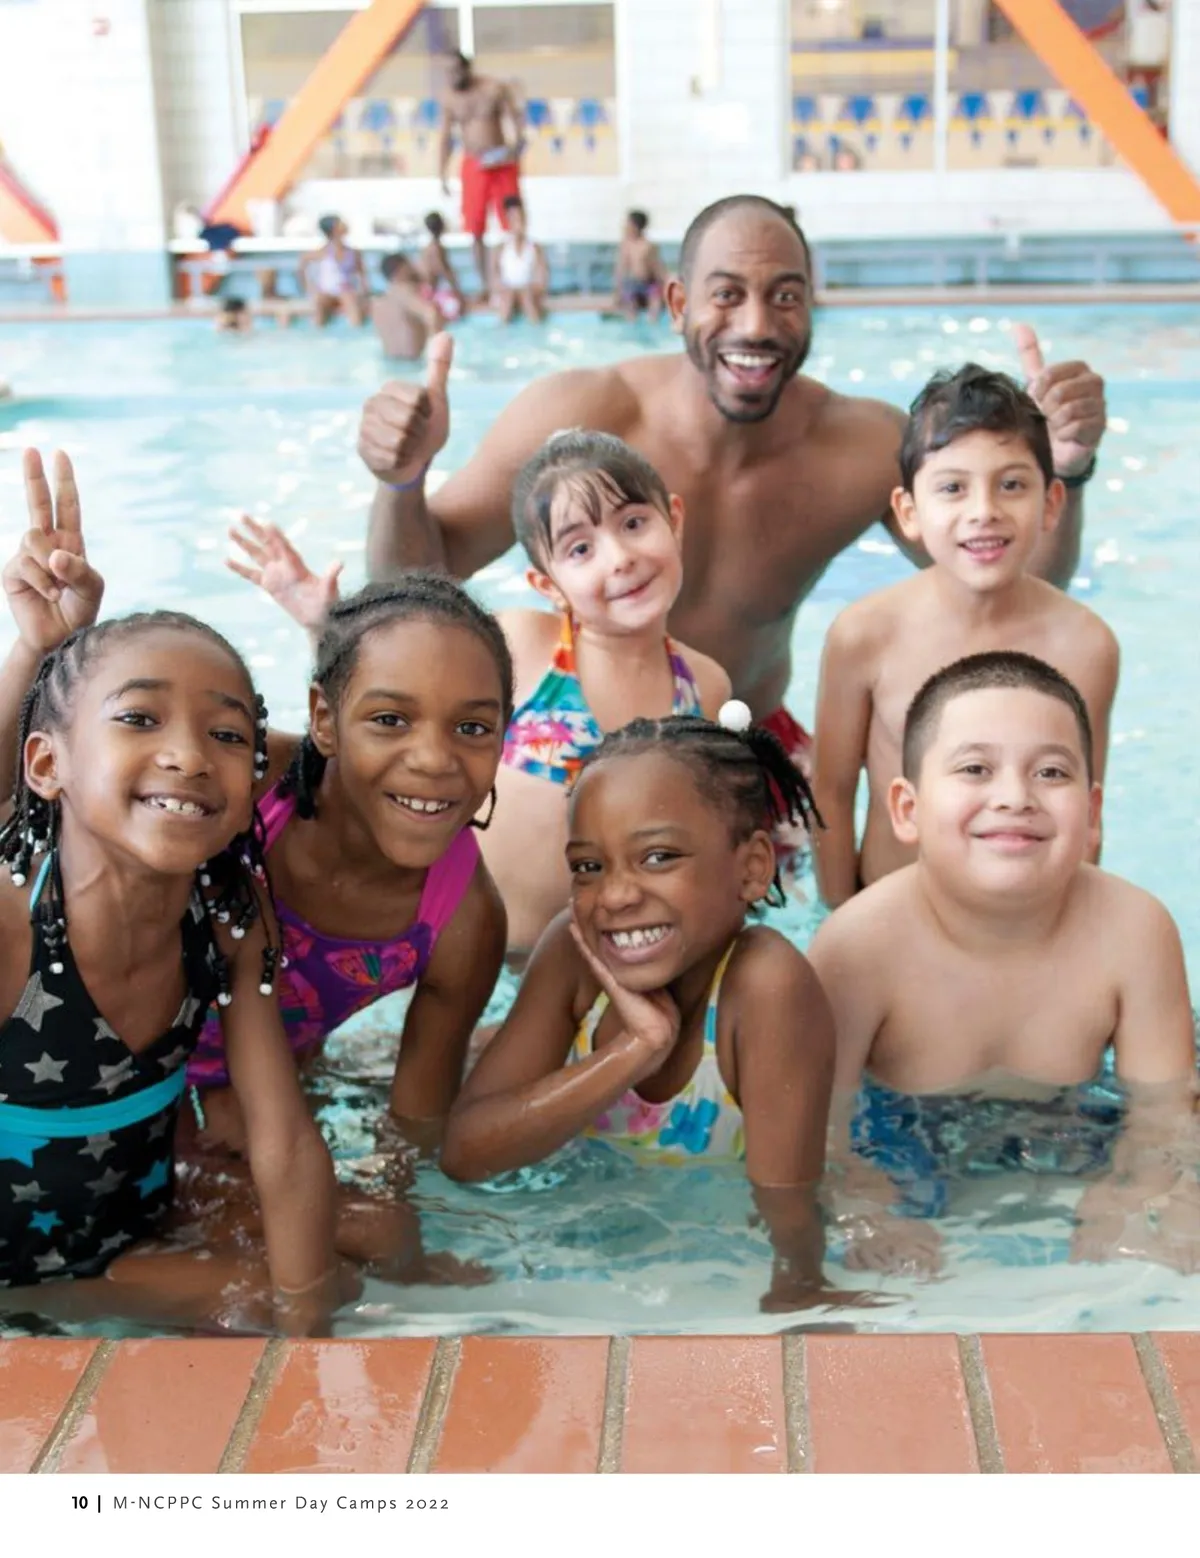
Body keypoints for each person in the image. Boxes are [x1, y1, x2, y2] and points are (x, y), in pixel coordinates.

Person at [356, 195, 1107, 791]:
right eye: (727, 294)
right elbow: (408, 588)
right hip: (581, 739)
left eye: (785, 296)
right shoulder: (577, 415)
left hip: (748, 742)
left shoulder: (865, 448)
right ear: (678, 302)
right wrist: (401, 480)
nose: (756, 324)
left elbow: (1019, 590)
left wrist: (1068, 470)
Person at [0, 595, 340, 1326]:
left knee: (340, 1266)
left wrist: (310, 1335)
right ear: (48, 763)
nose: (188, 756)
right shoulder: (10, 930)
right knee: (249, 1302)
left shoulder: (229, 915)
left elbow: (283, 1140)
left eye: (226, 734)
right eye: (139, 718)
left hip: (131, 1235)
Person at [808, 652, 1198, 1276]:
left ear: (1092, 812)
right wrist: (865, 1207)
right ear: (907, 809)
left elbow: (1163, 1115)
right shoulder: (856, 949)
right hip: (900, 1136)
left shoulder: (1134, 930)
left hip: (1075, 1123)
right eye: (975, 769)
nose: (1015, 797)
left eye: (1051, 772)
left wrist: (1135, 1192)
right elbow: (814, 1132)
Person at [442, 708, 842, 1314]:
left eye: (658, 857)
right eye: (588, 867)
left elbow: (787, 1217)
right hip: (595, 1228)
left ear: (753, 868)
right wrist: (637, 1047)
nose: (616, 895)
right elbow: (464, 1153)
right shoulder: (574, 952)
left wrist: (801, 1302)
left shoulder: (766, 986)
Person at [811, 365, 1120, 908]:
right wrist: (837, 918)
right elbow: (831, 794)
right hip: (891, 915)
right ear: (908, 512)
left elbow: (1083, 813)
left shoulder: (1085, 645)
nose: (984, 512)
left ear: (1051, 503)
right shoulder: (865, 635)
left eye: (1012, 485)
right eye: (953, 488)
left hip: (1025, 919)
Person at [438, 51, 524, 295]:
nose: (452, 77)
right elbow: (445, 138)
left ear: (467, 68)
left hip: (500, 161)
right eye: (447, 73)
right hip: (474, 163)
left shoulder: (492, 89)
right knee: (475, 228)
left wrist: (515, 148)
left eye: (455, 71)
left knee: (513, 222)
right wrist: (441, 174)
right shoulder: (449, 98)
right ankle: (485, 285)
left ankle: (512, 280)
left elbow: (515, 122)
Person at [300, 215, 367, 328]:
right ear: (334, 229)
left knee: (351, 302)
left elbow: (362, 275)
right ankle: (317, 333)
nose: (345, 224)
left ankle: (356, 330)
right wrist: (309, 288)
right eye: (340, 223)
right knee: (319, 305)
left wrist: (363, 293)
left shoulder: (353, 253)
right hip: (326, 291)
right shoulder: (322, 252)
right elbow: (302, 266)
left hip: (345, 290)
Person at [371, 253, 439, 362]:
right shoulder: (405, 292)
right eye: (410, 265)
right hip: (413, 363)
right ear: (402, 269)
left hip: (389, 362)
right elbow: (431, 314)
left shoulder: (378, 301)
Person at [490, 197, 548, 325]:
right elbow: (494, 279)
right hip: (506, 292)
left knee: (527, 298)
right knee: (508, 298)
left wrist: (524, 290)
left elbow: (542, 280)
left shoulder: (535, 248)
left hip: (528, 292)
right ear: (508, 221)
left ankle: (536, 329)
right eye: (514, 219)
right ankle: (502, 331)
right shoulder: (500, 248)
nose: (518, 223)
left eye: (520, 218)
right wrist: (508, 290)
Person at [611, 210, 666, 321]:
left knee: (655, 301)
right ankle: (632, 324)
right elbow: (620, 270)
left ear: (635, 227)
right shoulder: (626, 245)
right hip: (632, 284)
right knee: (630, 304)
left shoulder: (648, 246)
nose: (624, 227)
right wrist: (617, 292)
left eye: (627, 224)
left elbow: (657, 269)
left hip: (648, 283)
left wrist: (665, 287)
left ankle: (653, 322)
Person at [417, 211, 466, 323]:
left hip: (426, 289)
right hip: (431, 291)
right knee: (458, 310)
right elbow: (443, 269)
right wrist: (457, 290)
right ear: (442, 226)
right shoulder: (437, 247)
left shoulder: (427, 247)